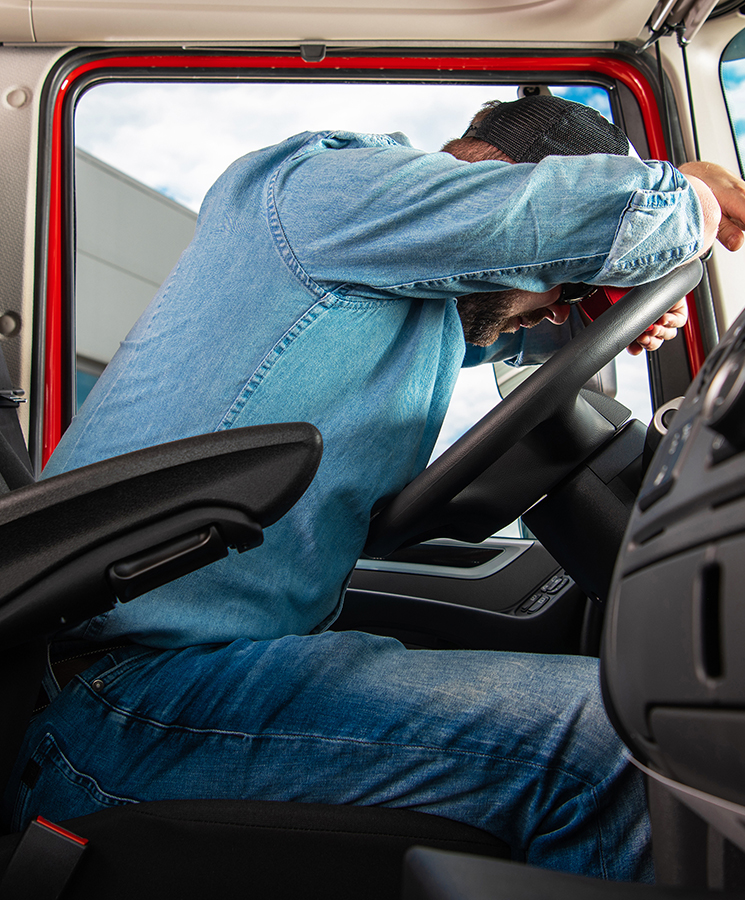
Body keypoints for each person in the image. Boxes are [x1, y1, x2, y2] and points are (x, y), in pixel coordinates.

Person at [4, 95, 744, 881]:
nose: (554, 301)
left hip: (188, 669)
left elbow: (498, 307)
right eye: (554, 280)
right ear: (494, 178)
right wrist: (684, 196)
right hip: (123, 697)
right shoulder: (315, 184)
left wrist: (583, 302)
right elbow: (556, 221)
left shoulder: (389, 293)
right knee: (627, 747)